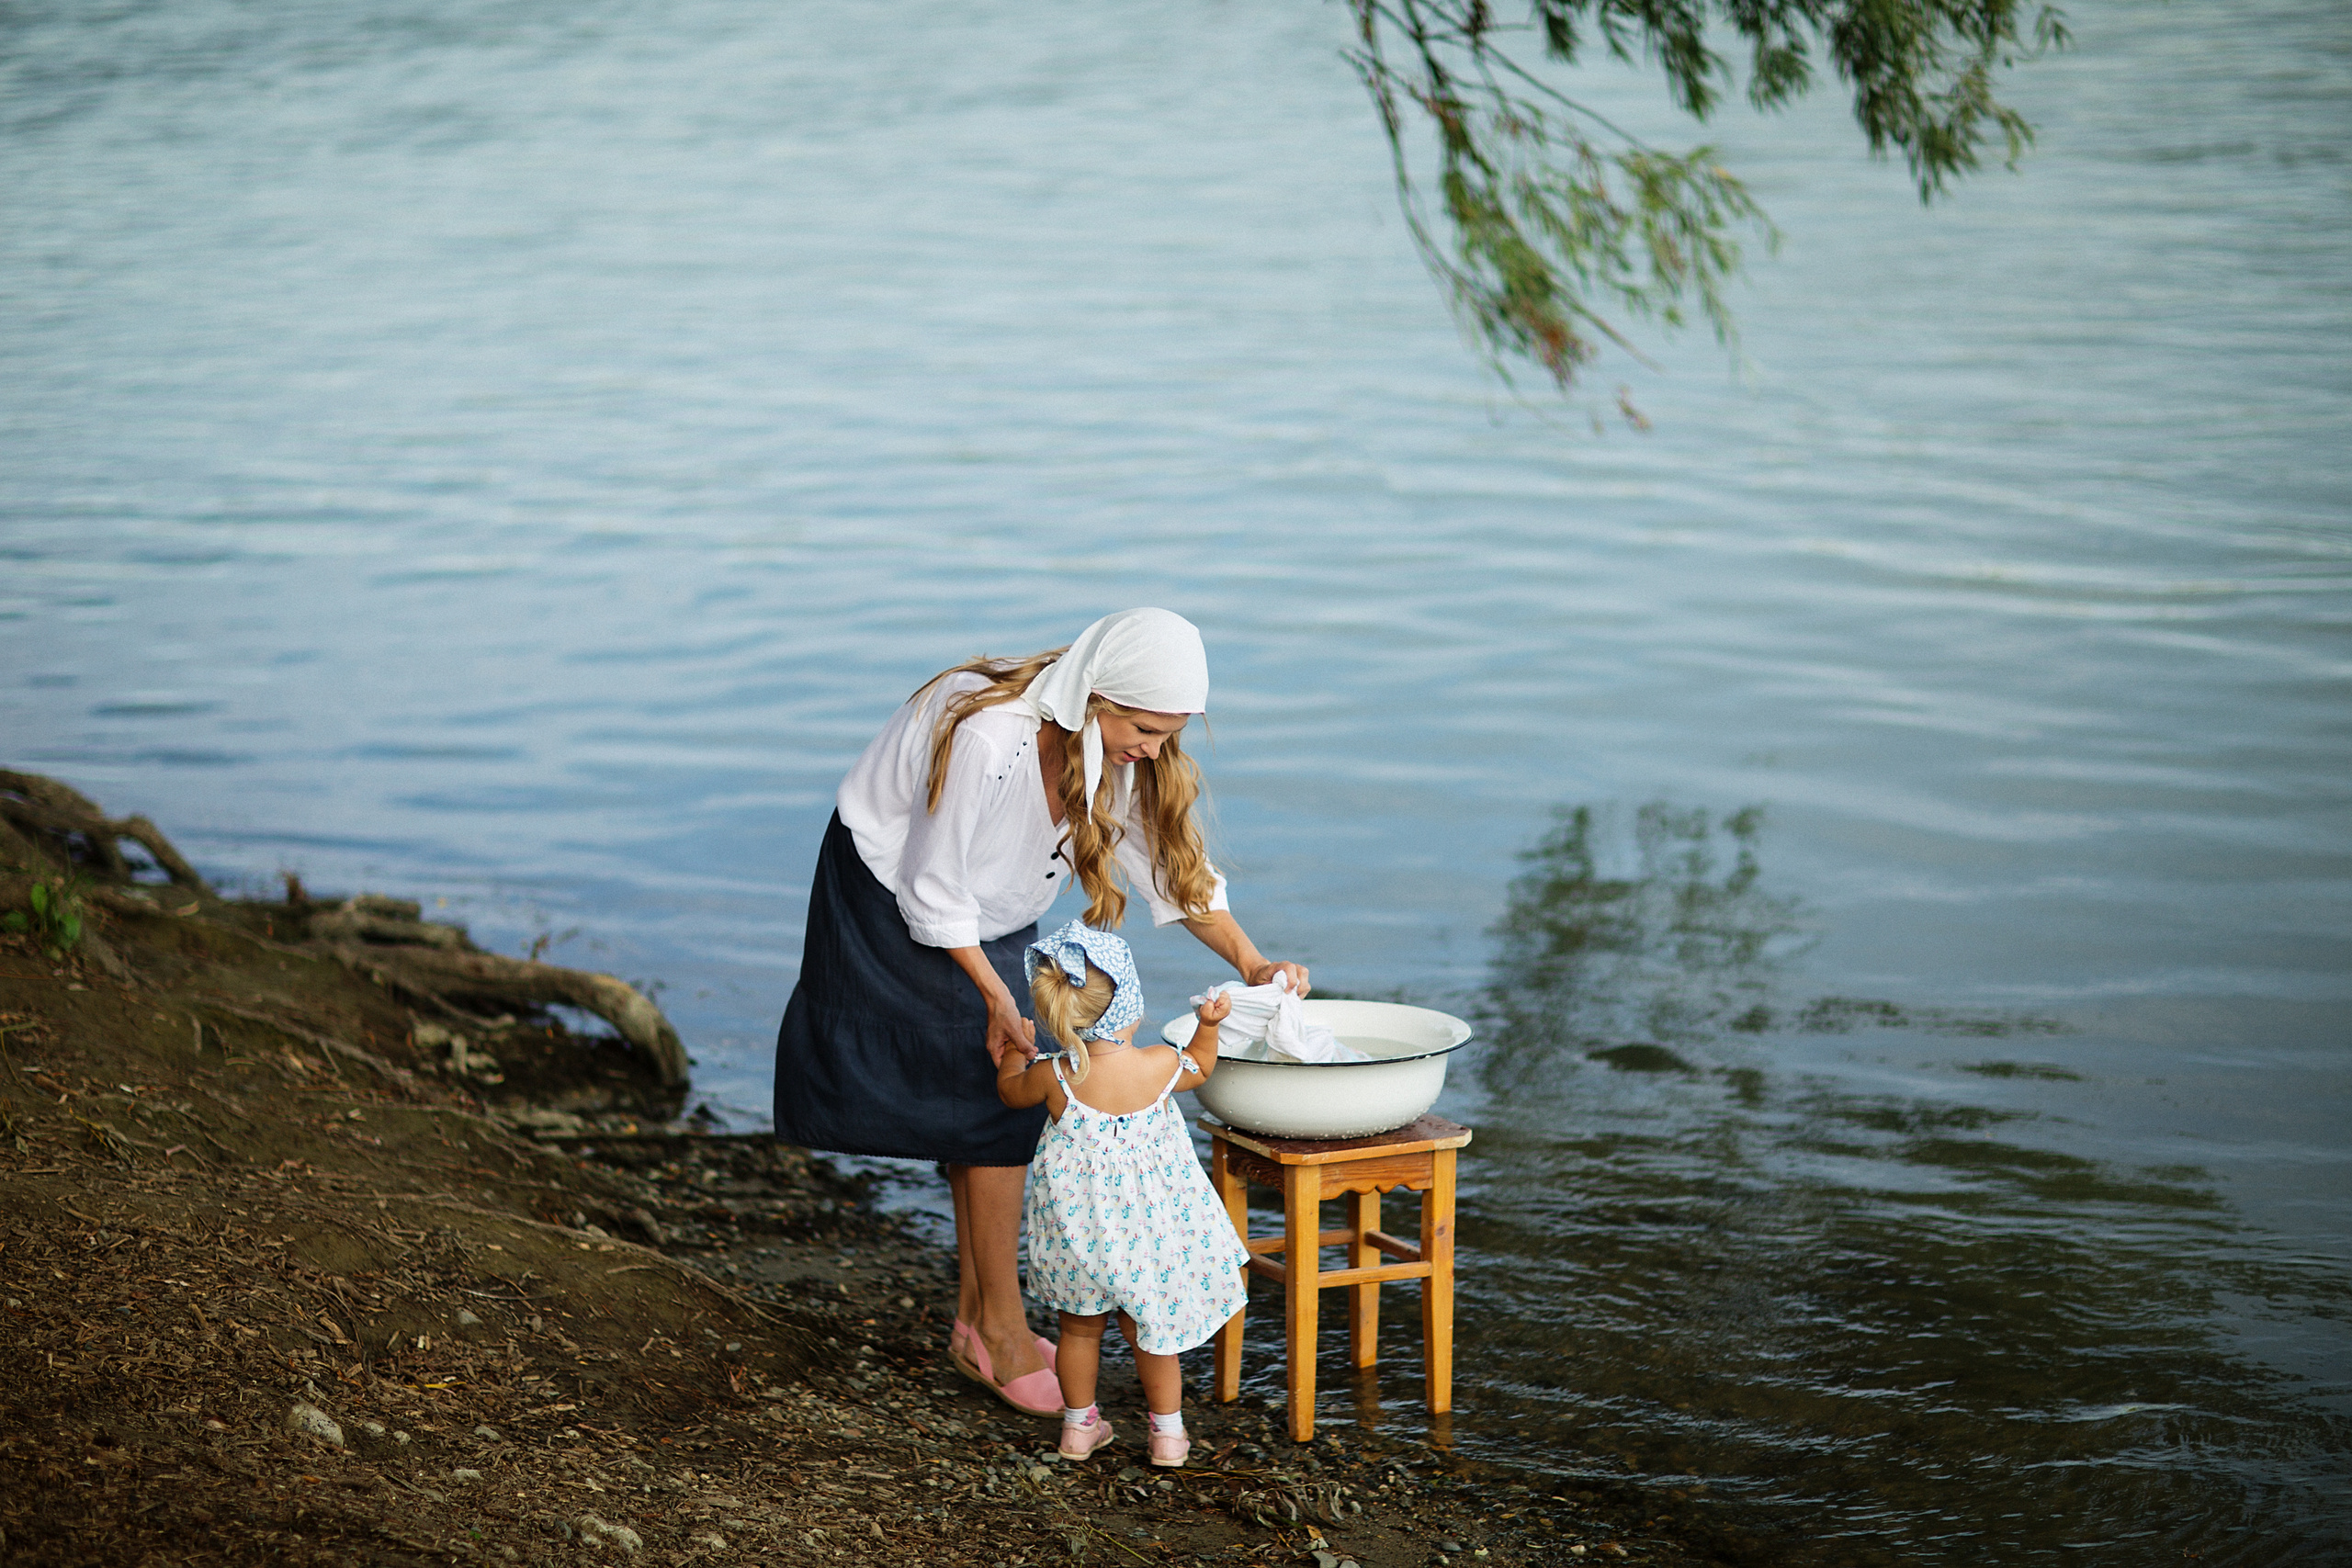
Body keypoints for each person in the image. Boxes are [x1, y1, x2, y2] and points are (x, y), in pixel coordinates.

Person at [772, 608, 1307, 1416]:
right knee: (995, 1104)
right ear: (1094, 696)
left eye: (1170, 734)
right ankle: (1003, 1332)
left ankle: (976, 1321)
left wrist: (1252, 961)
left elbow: (1172, 871)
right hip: (896, 887)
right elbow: (934, 889)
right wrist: (996, 995)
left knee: (983, 1095)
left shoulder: (1116, 752)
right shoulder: (993, 740)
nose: (1154, 748)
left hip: (993, 898)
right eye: (1143, 727)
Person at [998, 920, 1249, 1466]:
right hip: (1148, 1240)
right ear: (1130, 1005)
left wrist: (1012, 1051)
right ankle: (1168, 1437)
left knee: (1078, 1332)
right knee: (1152, 1335)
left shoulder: (1053, 1075)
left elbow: (1010, 1092)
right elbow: (1202, 1067)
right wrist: (1207, 1025)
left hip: (1077, 1238)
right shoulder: (1159, 1065)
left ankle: (1078, 1429)